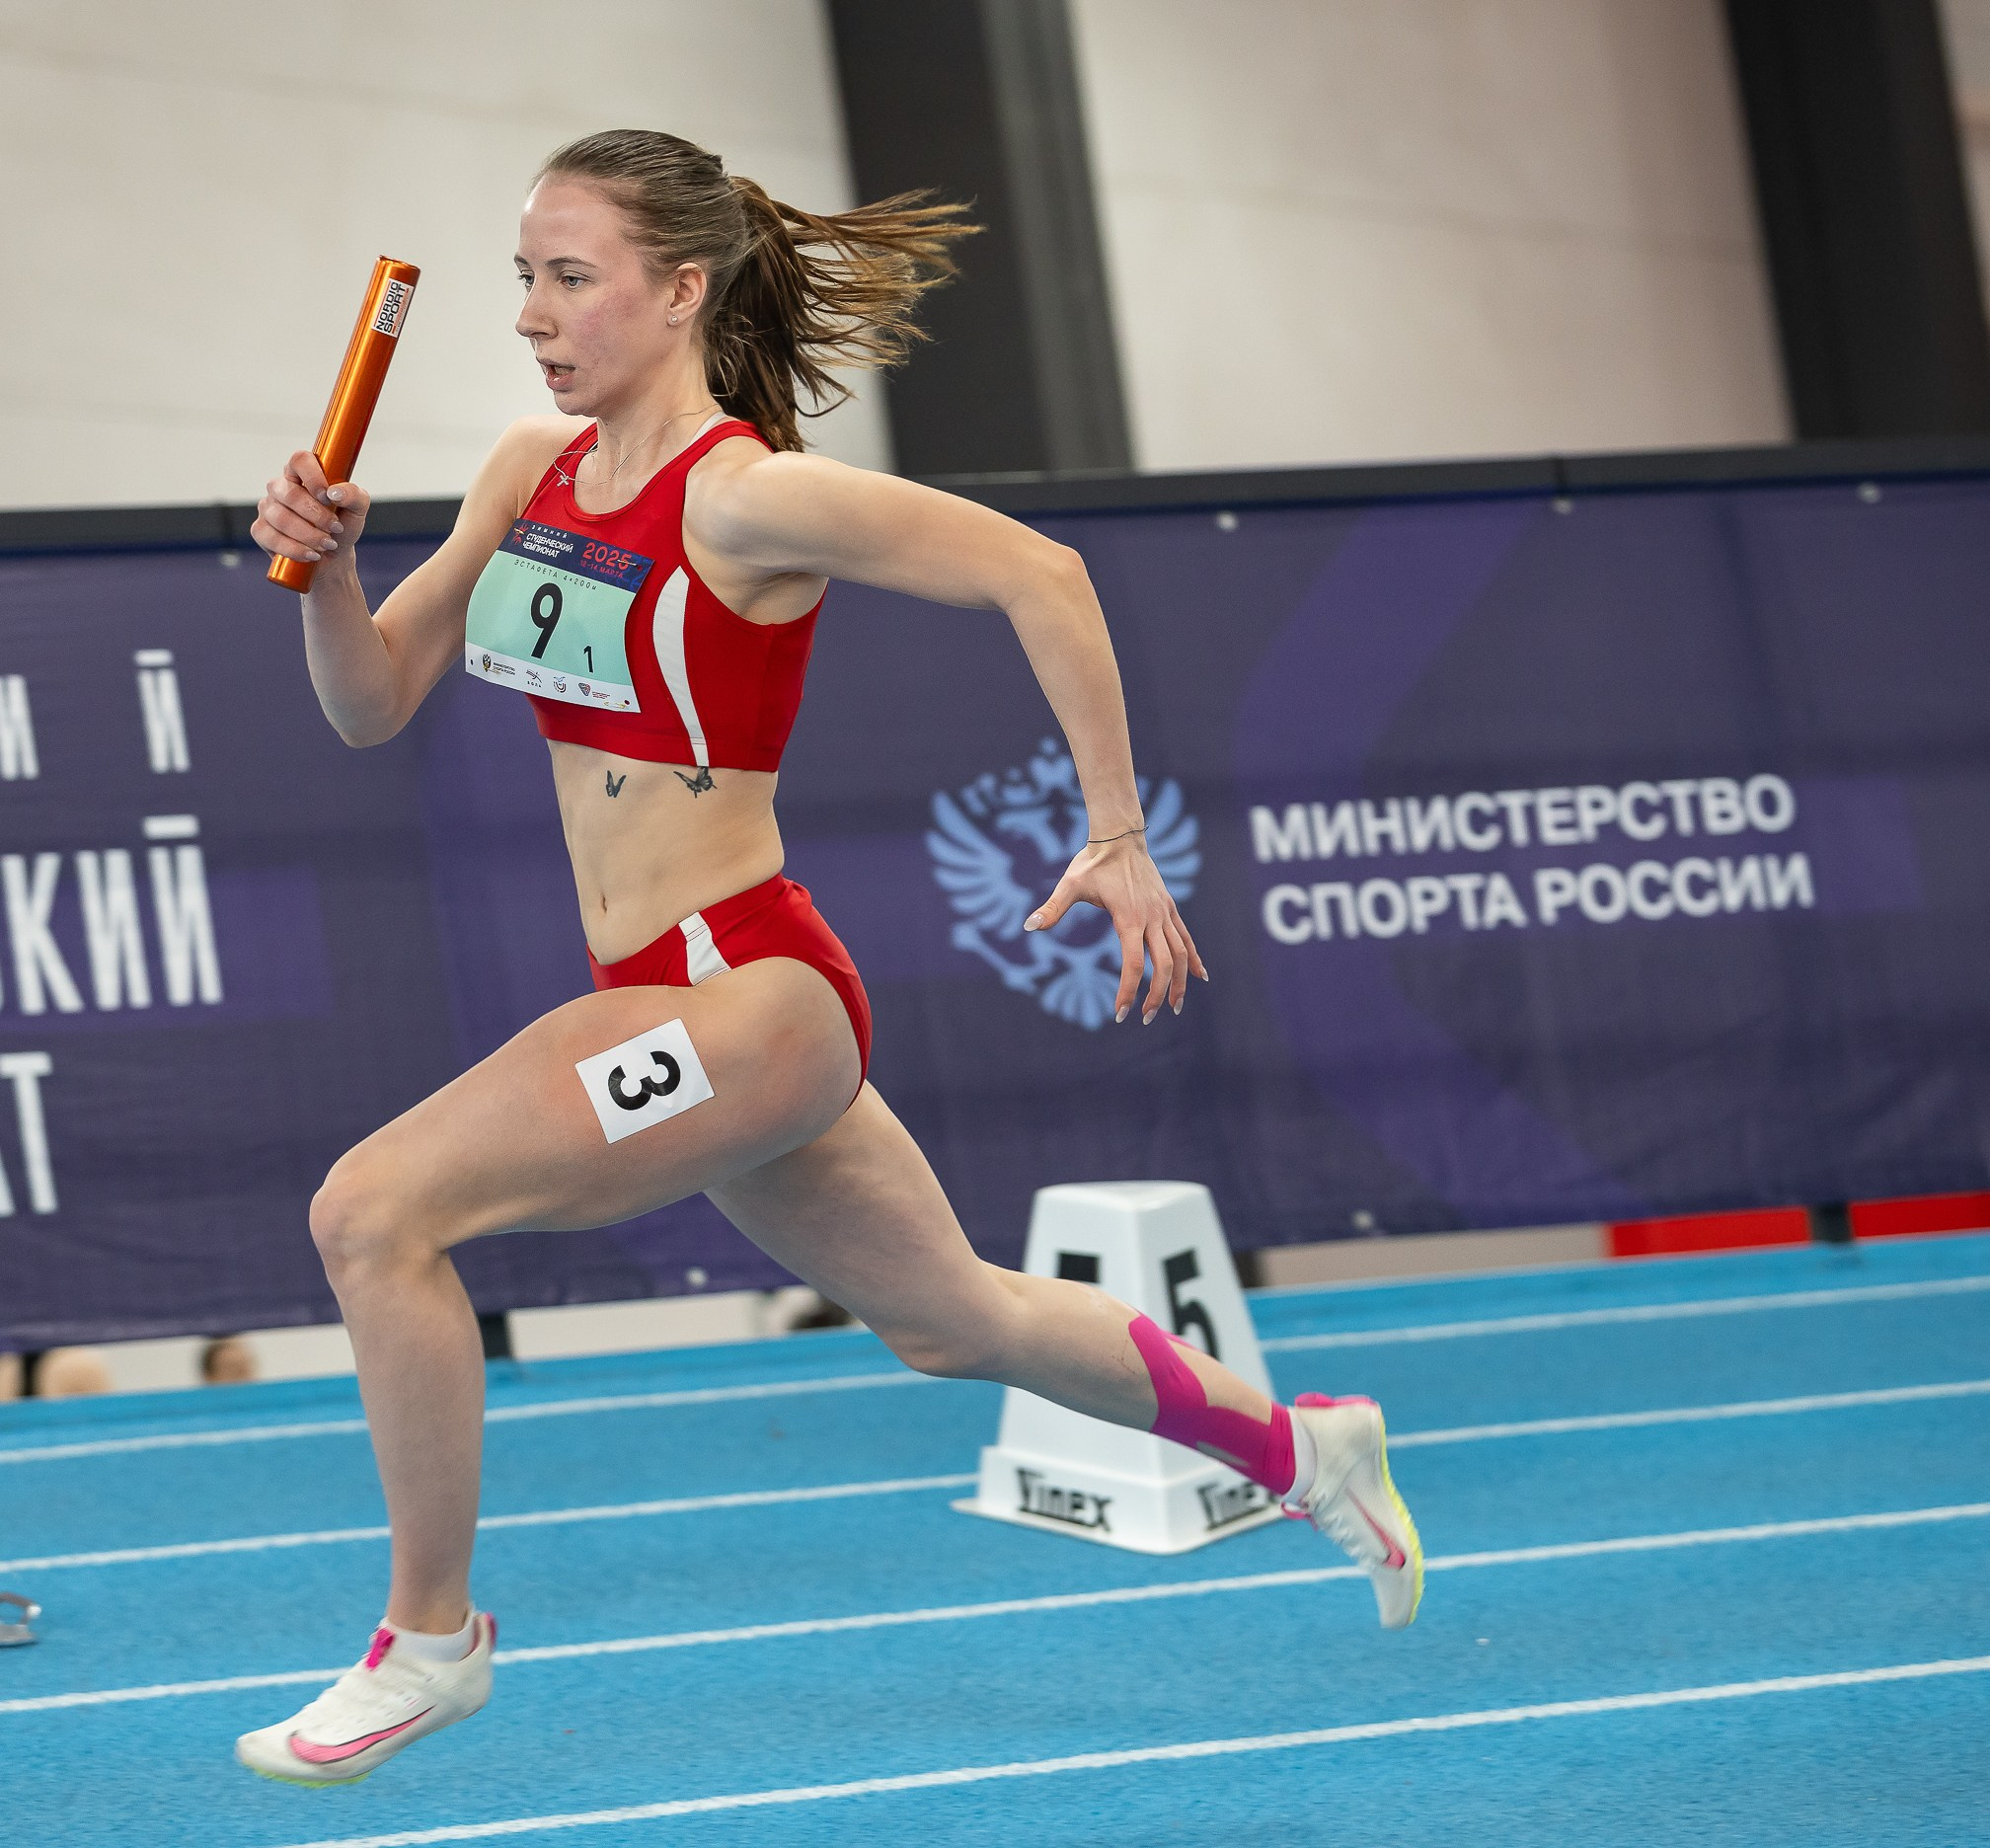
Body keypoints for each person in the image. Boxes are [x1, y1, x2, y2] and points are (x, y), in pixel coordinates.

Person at [236, 128, 1423, 1789]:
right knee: (956, 1324)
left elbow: (1044, 571)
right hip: (665, 991)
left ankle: (431, 1642)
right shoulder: (526, 473)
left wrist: (1117, 827)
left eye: (570, 279)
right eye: (524, 277)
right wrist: (331, 571)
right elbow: (369, 705)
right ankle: (1305, 1447)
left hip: (752, 995)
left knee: (372, 1211)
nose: (532, 315)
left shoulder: (744, 494)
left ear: (679, 289)